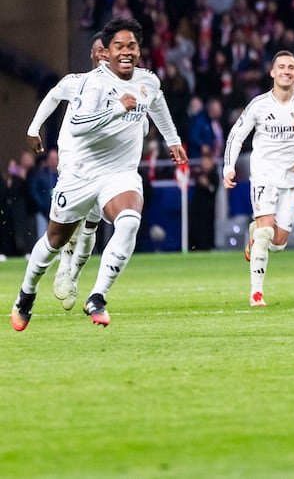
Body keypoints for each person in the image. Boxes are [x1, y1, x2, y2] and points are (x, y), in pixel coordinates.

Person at [10, 18, 186, 331]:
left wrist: (173, 140)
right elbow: (78, 126)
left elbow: (156, 103)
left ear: (139, 50)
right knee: (54, 240)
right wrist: (116, 109)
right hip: (80, 174)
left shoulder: (148, 81)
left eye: (131, 45)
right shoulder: (92, 83)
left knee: (129, 220)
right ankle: (26, 294)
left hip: (119, 174)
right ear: (106, 51)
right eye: (119, 46)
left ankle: (97, 296)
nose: (126, 51)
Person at [223, 51, 294, 306]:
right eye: (281, 67)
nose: (286, 71)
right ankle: (256, 294)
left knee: (278, 242)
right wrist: (229, 167)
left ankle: (255, 233)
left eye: (291, 67)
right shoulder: (259, 105)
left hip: (293, 178)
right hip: (265, 173)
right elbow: (236, 135)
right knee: (266, 232)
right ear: (272, 72)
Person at [25, 33, 108, 310]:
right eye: (97, 51)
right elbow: (52, 96)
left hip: (104, 166)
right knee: (71, 224)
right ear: (92, 55)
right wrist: (33, 129)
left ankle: (73, 274)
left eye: (105, 51)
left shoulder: (122, 89)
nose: (101, 55)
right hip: (72, 162)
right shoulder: (75, 82)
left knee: (90, 226)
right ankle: (62, 267)